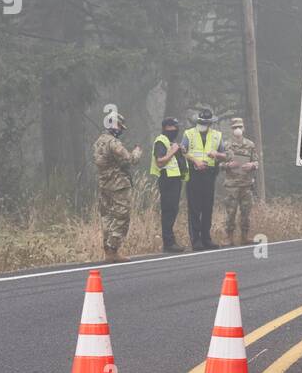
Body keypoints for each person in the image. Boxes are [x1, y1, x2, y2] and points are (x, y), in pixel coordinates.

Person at [92, 111, 143, 262]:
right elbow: (130, 160)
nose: (121, 129)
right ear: (113, 125)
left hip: (104, 185)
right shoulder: (113, 143)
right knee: (122, 217)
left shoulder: (97, 142)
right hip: (118, 185)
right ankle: (113, 249)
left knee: (107, 217)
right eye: (119, 126)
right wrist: (137, 152)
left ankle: (108, 250)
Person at [182, 107, 225, 250]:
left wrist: (217, 155)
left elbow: (225, 154)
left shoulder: (217, 135)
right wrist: (195, 161)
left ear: (211, 123)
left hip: (210, 174)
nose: (204, 124)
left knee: (207, 207)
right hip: (194, 174)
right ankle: (196, 240)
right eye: (202, 121)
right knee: (194, 207)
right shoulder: (189, 133)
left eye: (207, 122)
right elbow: (183, 152)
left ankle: (206, 238)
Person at [151, 116, 189, 253]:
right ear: (166, 128)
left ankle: (171, 241)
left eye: (176, 127)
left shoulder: (170, 141)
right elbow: (160, 161)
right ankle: (168, 243)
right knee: (168, 211)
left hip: (175, 179)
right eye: (172, 127)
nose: (175, 130)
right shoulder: (161, 141)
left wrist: (180, 151)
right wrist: (172, 152)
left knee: (173, 210)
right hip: (167, 179)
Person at [221, 117, 259, 246]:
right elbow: (219, 164)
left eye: (240, 127)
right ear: (231, 129)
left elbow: (256, 162)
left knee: (246, 212)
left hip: (246, 184)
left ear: (244, 128)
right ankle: (229, 237)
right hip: (232, 185)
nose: (237, 129)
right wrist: (228, 165)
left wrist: (252, 166)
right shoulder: (225, 145)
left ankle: (245, 236)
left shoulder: (250, 144)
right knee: (230, 212)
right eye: (234, 127)